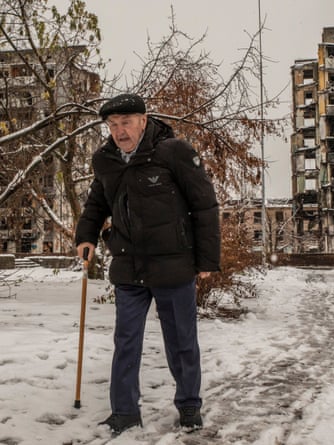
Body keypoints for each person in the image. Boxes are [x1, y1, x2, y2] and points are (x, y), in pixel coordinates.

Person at [75, 93, 220, 436]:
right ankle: (124, 412)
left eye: (125, 122)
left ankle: (189, 406)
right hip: (128, 265)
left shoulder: (174, 152)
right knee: (125, 340)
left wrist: (206, 260)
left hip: (173, 265)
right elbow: (97, 202)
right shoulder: (105, 159)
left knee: (181, 340)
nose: (119, 131)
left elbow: (205, 206)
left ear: (143, 120)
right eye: (112, 125)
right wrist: (86, 236)